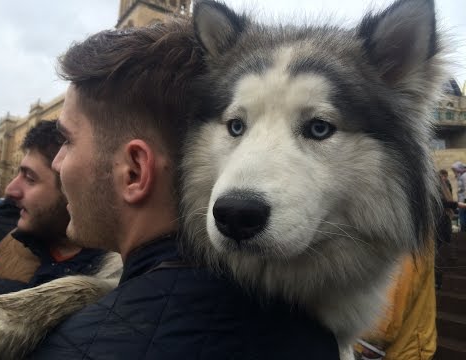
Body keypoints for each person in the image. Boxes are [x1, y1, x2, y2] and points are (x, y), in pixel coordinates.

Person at [31, 21, 339, 359]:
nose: (57, 163)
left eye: (67, 141)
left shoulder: (64, 348)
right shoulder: (317, 339)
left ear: (135, 170)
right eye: (237, 126)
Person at [0, 120, 105, 296]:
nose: (10, 190)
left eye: (30, 178)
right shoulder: (10, 243)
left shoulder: (113, 278)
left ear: (70, 187)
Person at [354, 240, 437, 360]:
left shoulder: (410, 233)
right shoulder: (419, 234)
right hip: (411, 342)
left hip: (399, 349)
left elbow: (397, 287)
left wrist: (372, 339)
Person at [451, 161, 466, 231]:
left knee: (463, 219)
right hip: (461, 200)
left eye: (454, 170)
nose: (454, 172)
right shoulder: (460, 176)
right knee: (462, 218)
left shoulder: (464, 176)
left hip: (464, 201)